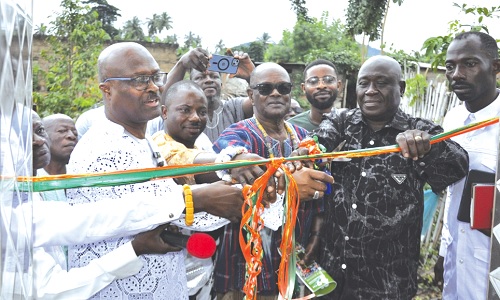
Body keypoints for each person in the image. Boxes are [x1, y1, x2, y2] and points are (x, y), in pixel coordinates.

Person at [66, 42, 245, 299]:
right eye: (140, 80)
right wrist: (201, 197)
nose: (154, 87)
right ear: (107, 89)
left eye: (155, 77)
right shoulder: (102, 147)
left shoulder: (143, 140)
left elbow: (173, 204)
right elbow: (139, 211)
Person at [311, 55, 468, 299]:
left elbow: (458, 166)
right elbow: (314, 147)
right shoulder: (340, 123)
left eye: (381, 83)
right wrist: (309, 151)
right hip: (331, 280)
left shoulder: (420, 132)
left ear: (401, 88)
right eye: (364, 84)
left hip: (386, 285)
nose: (371, 91)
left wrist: (429, 147)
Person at [212, 62, 334, 299]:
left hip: (295, 260)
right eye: (265, 88)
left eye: (283, 87)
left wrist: (316, 238)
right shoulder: (239, 134)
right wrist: (237, 156)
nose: (276, 93)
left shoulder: (305, 139)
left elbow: (322, 193)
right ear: (251, 95)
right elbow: (224, 150)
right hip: (247, 266)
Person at [30, 109, 179, 299]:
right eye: (24, 135)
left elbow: (90, 219)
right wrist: (135, 248)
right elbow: (54, 290)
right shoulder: (13, 204)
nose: (38, 140)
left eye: (39, 130)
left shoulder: (45, 187)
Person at [435, 31, 500, 300]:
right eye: (450, 66)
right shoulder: (452, 119)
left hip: (492, 263)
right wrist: (442, 253)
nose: (457, 74)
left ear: (496, 68)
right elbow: (453, 195)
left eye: (469, 64)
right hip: (456, 257)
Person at [153, 48, 255, 142]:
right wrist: (181, 64)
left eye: (214, 76)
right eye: (201, 77)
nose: (209, 80)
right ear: (191, 85)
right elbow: (164, 101)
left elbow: (262, 102)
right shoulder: (181, 113)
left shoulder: (233, 107)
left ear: (221, 84)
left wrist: (251, 75)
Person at [288, 59, 342, 131]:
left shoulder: (351, 126)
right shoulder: (291, 128)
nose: (321, 86)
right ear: (303, 88)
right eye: (313, 81)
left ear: (338, 85)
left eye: (329, 80)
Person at [37, 113, 78, 201]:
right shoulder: (31, 178)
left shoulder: (81, 175)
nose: (72, 136)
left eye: (75, 133)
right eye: (62, 131)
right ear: (43, 136)